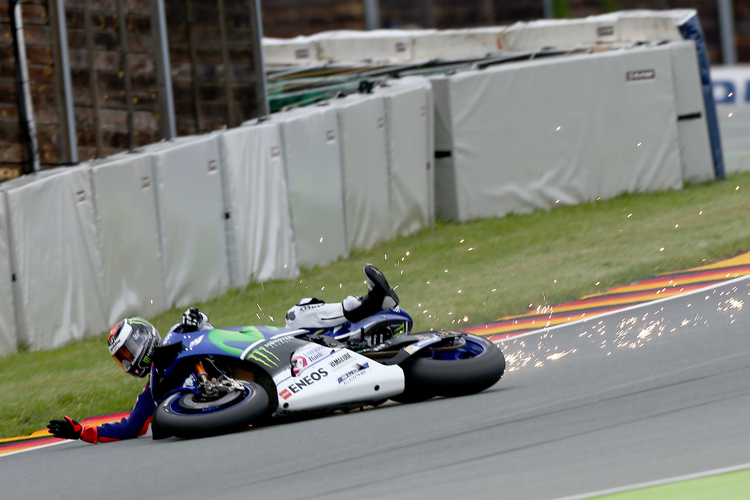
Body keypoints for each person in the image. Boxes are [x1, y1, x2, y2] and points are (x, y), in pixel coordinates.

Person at [47, 264, 397, 443]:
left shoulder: (176, 334)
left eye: (131, 347)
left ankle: (371, 304)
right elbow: (128, 428)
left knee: (298, 313)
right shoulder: (152, 391)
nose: (130, 357)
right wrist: (80, 430)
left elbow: (203, 318)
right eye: (123, 356)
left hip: (263, 346)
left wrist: (194, 318)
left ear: (146, 335)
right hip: (260, 384)